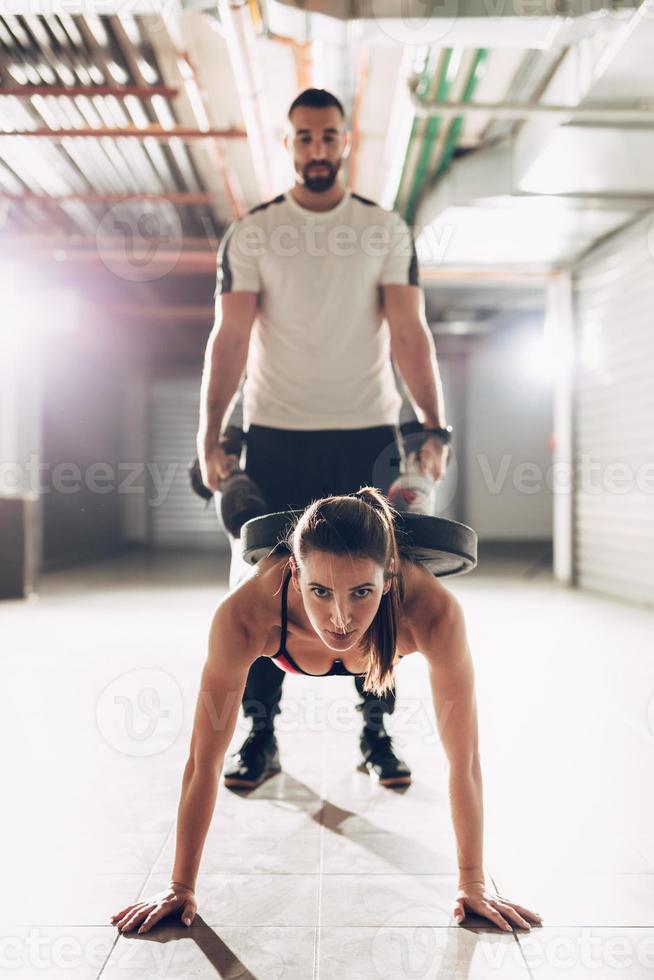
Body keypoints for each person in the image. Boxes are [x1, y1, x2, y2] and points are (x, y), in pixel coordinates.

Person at [110, 489, 543, 936]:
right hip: (277, 617)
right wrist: (180, 886)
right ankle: (265, 737)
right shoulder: (246, 614)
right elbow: (204, 761)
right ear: (295, 575)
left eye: (362, 592)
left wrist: (472, 882)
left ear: (390, 577)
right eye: (321, 591)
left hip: (384, 618)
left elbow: (465, 759)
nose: (341, 617)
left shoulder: (432, 614)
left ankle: (375, 737)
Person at [197, 86, 453, 789]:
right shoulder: (252, 233)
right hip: (276, 437)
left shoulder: (383, 229)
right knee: (266, 585)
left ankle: (375, 734)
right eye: (304, 138)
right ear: (289, 145)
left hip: (365, 436)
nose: (317, 150)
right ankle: (261, 734)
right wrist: (209, 434)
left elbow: (409, 334)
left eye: (328, 137)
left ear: (346, 142)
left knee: (378, 585)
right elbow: (230, 340)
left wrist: (432, 423)